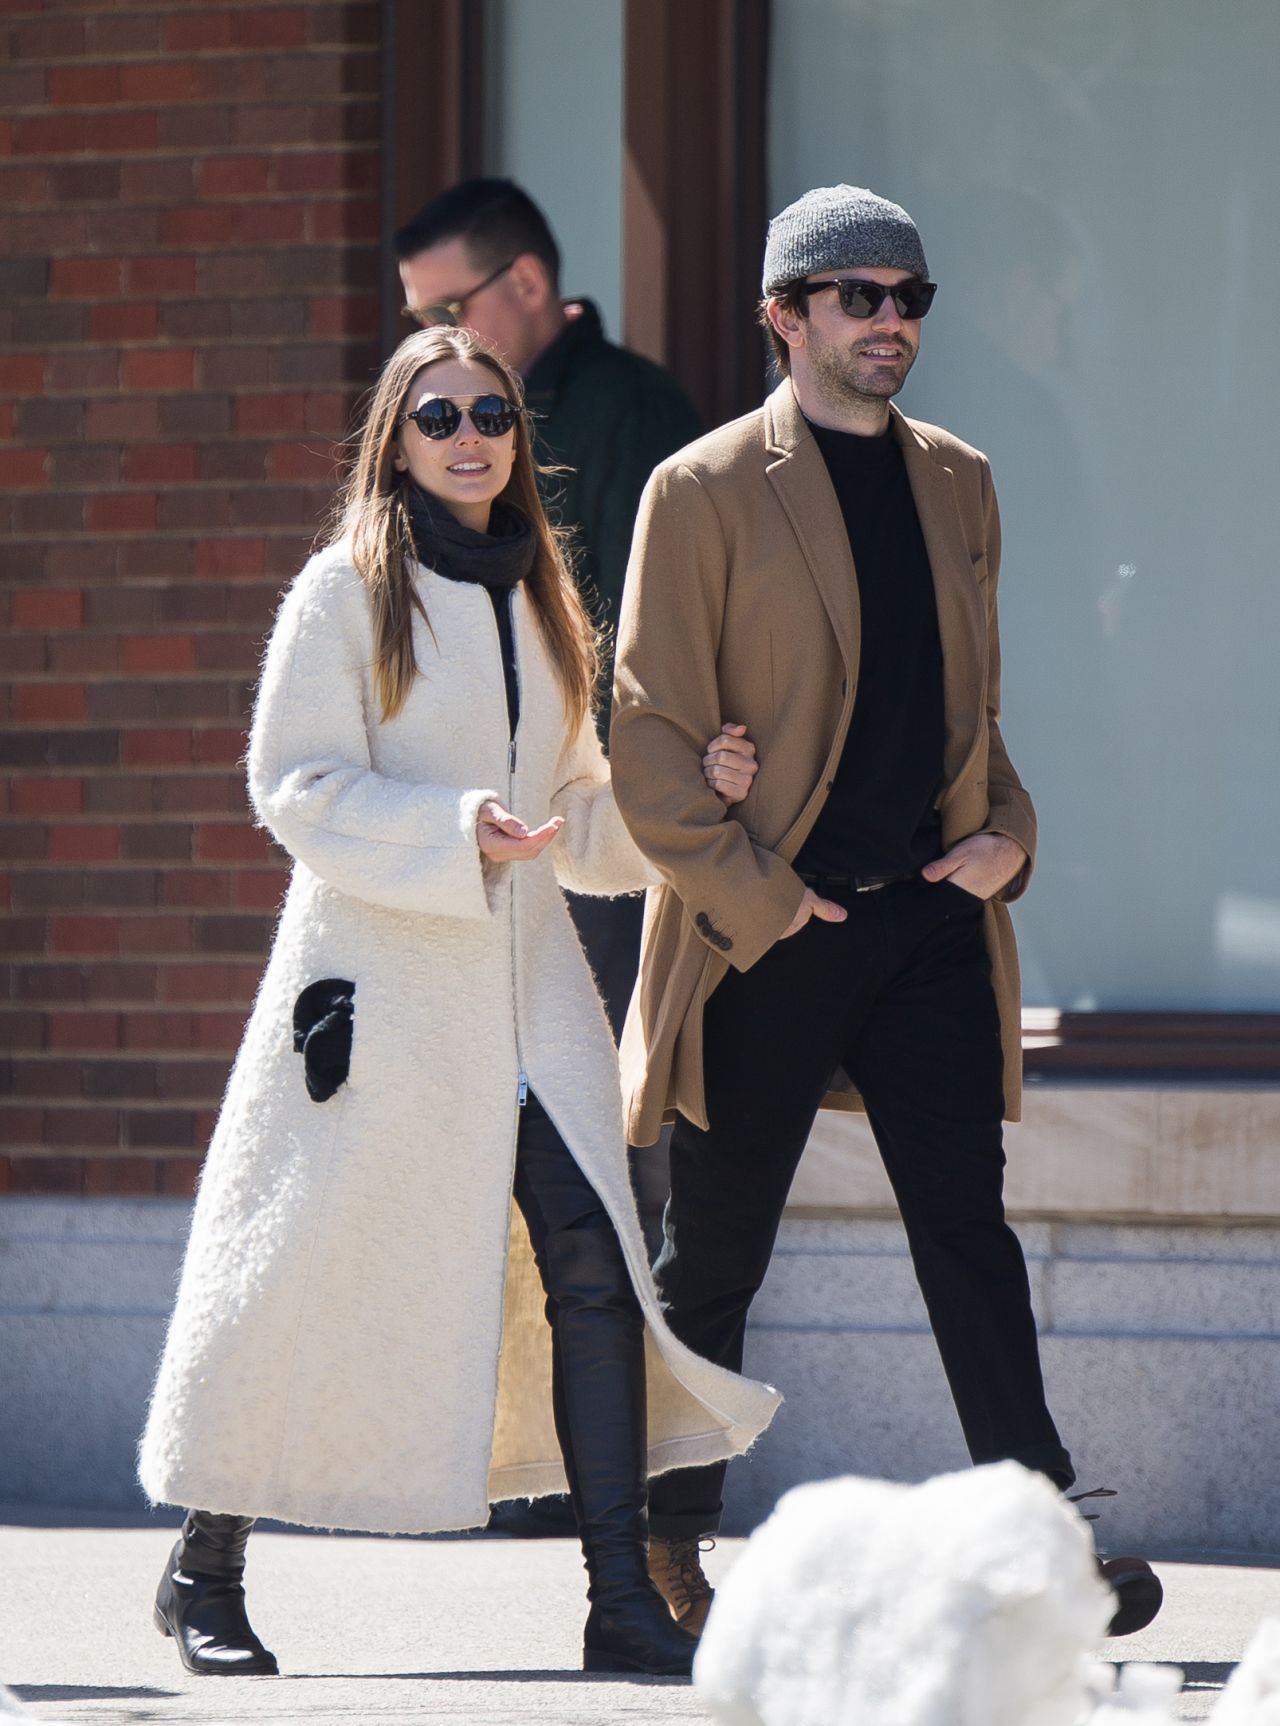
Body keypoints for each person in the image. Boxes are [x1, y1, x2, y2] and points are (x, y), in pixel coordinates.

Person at [138, 325, 780, 1681]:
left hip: (531, 1000)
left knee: (596, 1267)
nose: (472, 434)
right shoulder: (343, 592)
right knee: (299, 1273)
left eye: (492, 410)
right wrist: (452, 829)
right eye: (440, 416)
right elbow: (295, 785)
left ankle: (620, 1598)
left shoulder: (542, 596)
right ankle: (205, 1564)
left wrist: (687, 801)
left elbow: (579, 816)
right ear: (397, 438)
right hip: (372, 1003)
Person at [609, 185, 1160, 1639]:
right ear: (784, 316)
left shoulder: (962, 479)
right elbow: (651, 744)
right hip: (773, 921)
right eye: (858, 296)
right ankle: (663, 1550)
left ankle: (1044, 1537)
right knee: (716, 1249)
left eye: (911, 295)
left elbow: (969, 711)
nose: (892, 321)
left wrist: (1009, 837)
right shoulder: (705, 487)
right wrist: (763, 898)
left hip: (927, 916)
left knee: (965, 1229)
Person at [395, 177, 702, 1046]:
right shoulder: (444, 427)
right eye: (417, 319)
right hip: (484, 825)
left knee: (588, 1104)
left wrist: (626, 807)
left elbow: (658, 630)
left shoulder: (628, 409)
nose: (433, 339)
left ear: (527, 284)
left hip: (591, 822)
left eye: (447, 308)